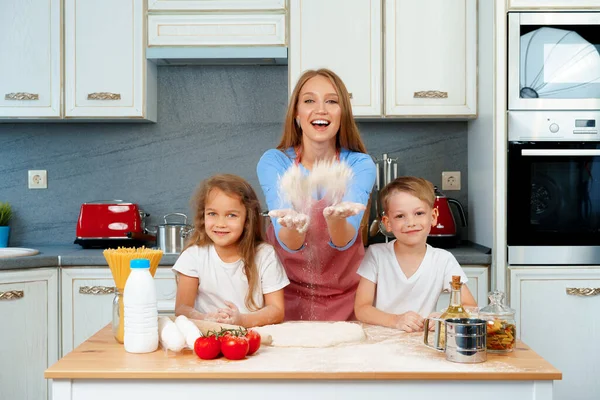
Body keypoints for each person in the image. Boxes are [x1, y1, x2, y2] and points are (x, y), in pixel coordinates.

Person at [256, 68, 377, 321]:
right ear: (297, 115)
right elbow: (289, 241)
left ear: (342, 114)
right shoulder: (275, 163)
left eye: (331, 101)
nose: (320, 109)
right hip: (283, 299)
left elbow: (345, 238)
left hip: (348, 300)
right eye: (309, 100)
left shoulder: (359, 165)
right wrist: (293, 224)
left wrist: (335, 219)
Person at [354, 176, 477, 332]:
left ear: (433, 217)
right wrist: (395, 320)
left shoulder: (443, 260)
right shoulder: (376, 255)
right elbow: (362, 308)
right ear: (387, 223)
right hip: (381, 343)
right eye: (400, 216)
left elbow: (470, 306)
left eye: (419, 213)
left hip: (422, 343)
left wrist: (445, 317)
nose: (410, 222)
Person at [173, 174, 290, 328]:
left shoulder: (264, 255)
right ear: (203, 215)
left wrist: (242, 321)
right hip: (208, 338)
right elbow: (182, 309)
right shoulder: (193, 256)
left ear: (247, 220)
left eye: (231, 215)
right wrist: (206, 318)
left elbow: (276, 310)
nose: (221, 224)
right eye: (212, 214)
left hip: (254, 339)